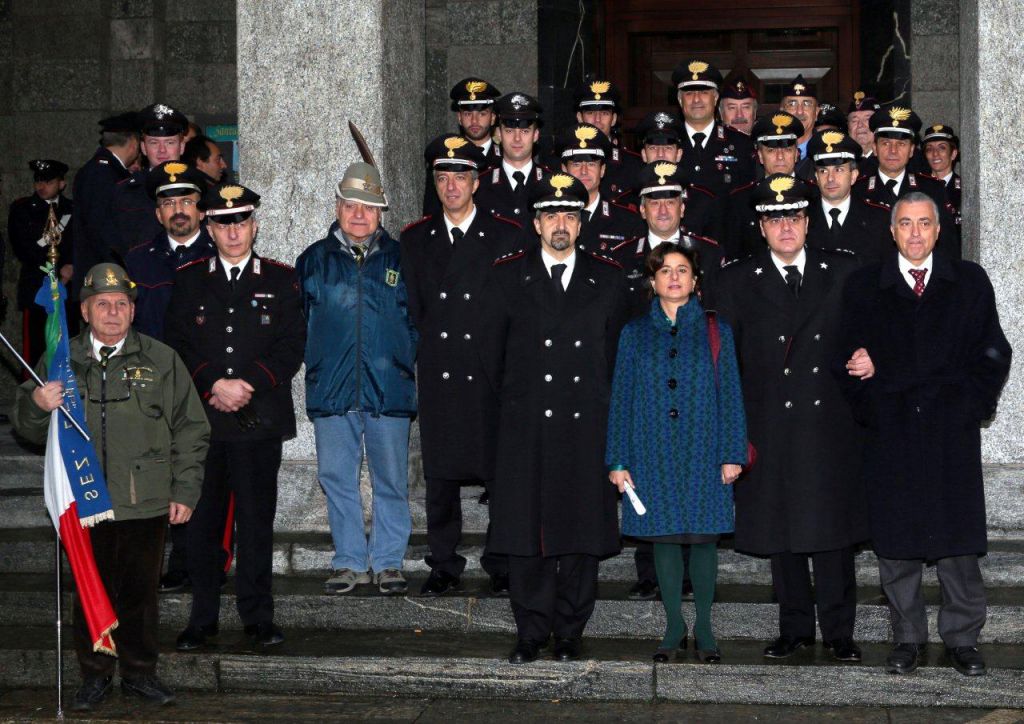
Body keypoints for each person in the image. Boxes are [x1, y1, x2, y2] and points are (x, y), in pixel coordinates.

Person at [11, 262, 210, 711]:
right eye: (103, 304)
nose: (114, 312)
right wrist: (38, 403)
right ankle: (95, 676)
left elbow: (191, 428)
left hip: (145, 500)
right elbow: (28, 428)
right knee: (88, 591)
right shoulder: (61, 360)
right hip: (82, 498)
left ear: (133, 311)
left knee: (140, 594)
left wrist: (185, 489)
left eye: (122, 303)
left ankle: (140, 674)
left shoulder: (161, 359)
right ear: (85, 311)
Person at [835, 192, 1012, 677]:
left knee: (957, 542)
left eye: (925, 223)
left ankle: (963, 637)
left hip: (950, 431)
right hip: (891, 432)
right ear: (892, 231)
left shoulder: (969, 281)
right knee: (896, 542)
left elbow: (994, 352)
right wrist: (872, 405)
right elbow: (844, 358)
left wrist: (969, 406)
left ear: (938, 230)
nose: (915, 233)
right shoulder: (864, 285)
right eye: (906, 223)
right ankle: (907, 636)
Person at [716, 174, 868, 664]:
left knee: (833, 534)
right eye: (776, 219)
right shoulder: (736, 281)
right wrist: (732, 437)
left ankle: (840, 631)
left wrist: (872, 355)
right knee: (782, 533)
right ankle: (795, 628)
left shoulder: (843, 270)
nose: (786, 227)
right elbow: (725, 367)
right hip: (771, 426)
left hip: (830, 425)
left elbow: (872, 329)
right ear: (761, 227)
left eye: (795, 217)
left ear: (808, 222)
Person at [485, 173, 629, 664]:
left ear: (582, 223)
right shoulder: (507, 276)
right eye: (551, 215)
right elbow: (490, 359)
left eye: (569, 215)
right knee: (526, 535)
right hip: (525, 428)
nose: (560, 224)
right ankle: (530, 630)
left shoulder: (608, 278)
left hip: (586, 428)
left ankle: (569, 630)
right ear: (536, 223)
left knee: (581, 536)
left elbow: (618, 359)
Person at [167, 183, 305, 650]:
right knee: (201, 525)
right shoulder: (189, 279)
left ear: (254, 225)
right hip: (204, 423)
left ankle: (258, 617)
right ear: (209, 228)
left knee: (256, 522)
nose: (233, 232)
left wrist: (248, 385)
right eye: (223, 224)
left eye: (241, 222)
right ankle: (201, 618)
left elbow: (291, 346)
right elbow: (177, 342)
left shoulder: (281, 280)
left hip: (257, 420)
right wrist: (214, 383)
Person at [606, 242, 747, 664]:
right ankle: (673, 625)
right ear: (652, 281)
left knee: (703, 540)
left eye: (682, 270)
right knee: (664, 539)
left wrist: (732, 452)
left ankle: (704, 626)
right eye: (664, 270)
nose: (673, 277)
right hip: (651, 451)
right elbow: (621, 399)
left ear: (695, 280)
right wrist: (618, 460)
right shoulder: (634, 333)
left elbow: (731, 395)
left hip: (705, 449)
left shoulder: (717, 330)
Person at [401, 136, 519, 597]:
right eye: (443, 178)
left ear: (476, 182)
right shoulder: (416, 239)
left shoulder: (507, 234)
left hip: (490, 373)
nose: (451, 186)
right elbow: (412, 308)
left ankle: (501, 561)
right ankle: (444, 562)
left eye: (460, 177)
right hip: (442, 371)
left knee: (501, 476)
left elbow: (515, 309)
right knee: (441, 480)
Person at [296, 163, 417, 597]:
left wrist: (400, 362)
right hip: (332, 389)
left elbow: (418, 322)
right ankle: (348, 560)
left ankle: (387, 561)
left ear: (381, 211)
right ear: (337, 207)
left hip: (389, 388)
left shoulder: (403, 259)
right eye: (350, 205)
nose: (359, 214)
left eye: (368, 206)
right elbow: (300, 323)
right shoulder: (313, 260)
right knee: (337, 478)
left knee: (391, 481)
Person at [124, 161, 218, 593]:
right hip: (153, 387)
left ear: (201, 208)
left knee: (202, 476)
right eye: (169, 202)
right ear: (158, 213)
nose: (178, 209)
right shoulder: (137, 261)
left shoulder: (219, 253)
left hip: (205, 386)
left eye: (186, 200)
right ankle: (170, 562)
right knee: (158, 475)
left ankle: (202, 559)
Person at [613, 162, 724, 319]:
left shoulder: (709, 254)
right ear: (643, 211)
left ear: (682, 209)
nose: (663, 211)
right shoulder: (622, 258)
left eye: (670, 202)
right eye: (655, 203)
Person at [853, 105, 959, 257]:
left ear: (911, 150)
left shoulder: (932, 189)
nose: (893, 151)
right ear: (875, 148)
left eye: (901, 144)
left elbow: (947, 245)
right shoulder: (857, 190)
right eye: (886, 143)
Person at [8, 159, 75, 366]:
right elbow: (23, 248)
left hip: (67, 288)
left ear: (61, 184)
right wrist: (53, 272)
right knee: (36, 349)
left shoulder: (72, 210)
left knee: (69, 343)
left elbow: (80, 242)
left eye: (49, 182)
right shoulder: (22, 209)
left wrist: (71, 266)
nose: (42, 186)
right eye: (38, 181)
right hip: (37, 287)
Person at [109, 104, 190, 259]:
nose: (162, 150)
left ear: (181, 146)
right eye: (154, 142)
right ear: (143, 147)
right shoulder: (125, 191)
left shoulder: (200, 189)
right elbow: (115, 244)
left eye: (170, 142)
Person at [726, 111, 810, 261]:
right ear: (760, 156)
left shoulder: (814, 194)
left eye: (787, 149)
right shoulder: (740, 199)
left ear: (797, 154)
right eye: (771, 150)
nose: (780, 157)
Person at [72, 112, 139, 297]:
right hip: (104, 277)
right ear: (134, 143)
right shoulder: (103, 174)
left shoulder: (102, 170)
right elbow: (102, 230)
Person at [671, 58, 756, 197]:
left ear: (715, 98)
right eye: (689, 93)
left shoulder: (741, 144)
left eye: (704, 92)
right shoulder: (667, 143)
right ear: (680, 100)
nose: (696, 99)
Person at [805, 130, 892, 262]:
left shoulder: (879, 218)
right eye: (823, 171)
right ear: (816, 177)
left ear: (853, 176)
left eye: (838, 170)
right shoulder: (803, 217)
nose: (830, 178)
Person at [556, 122, 644, 253]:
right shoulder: (549, 219)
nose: (584, 171)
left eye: (591, 164)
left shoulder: (628, 221)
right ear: (564, 170)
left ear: (602, 170)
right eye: (576, 164)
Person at [474, 92, 549, 225]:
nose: (517, 139)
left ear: (536, 135)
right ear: (499, 134)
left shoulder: (551, 183)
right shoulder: (480, 185)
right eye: (509, 131)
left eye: (525, 131)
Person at [573, 80, 643, 201]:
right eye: (590, 113)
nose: (597, 120)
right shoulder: (561, 162)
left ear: (614, 119)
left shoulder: (634, 165)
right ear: (580, 118)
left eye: (604, 113)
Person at [779, 74, 818, 161]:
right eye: (792, 104)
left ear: (816, 113)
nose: (799, 111)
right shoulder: (767, 151)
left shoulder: (827, 151)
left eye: (807, 104)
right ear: (782, 113)